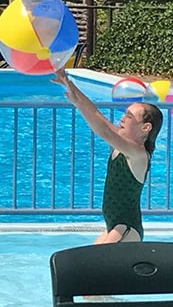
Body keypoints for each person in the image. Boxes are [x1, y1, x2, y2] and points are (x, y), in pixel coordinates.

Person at [53, 69, 163, 244]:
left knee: (94, 261)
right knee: (87, 259)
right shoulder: (120, 143)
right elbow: (97, 115)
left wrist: (79, 103)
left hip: (126, 228)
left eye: (129, 116)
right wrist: (71, 88)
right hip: (113, 226)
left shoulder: (138, 154)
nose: (123, 118)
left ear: (145, 127)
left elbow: (103, 130)